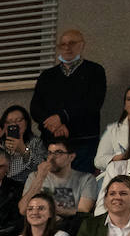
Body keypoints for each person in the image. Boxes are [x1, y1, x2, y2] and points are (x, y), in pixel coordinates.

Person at [30, 29, 107, 173]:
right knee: (52, 185)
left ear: (82, 45)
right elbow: (35, 108)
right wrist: (54, 125)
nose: (67, 47)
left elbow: (93, 103)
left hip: (83, 143)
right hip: (51, 144)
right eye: (63, 44)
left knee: (81, 183)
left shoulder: (95, 71)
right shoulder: (47, 76)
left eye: (72, 43)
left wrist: (62, 117)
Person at [18, 140, 93, 236]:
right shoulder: (35, 176)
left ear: (71, 157)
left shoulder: (86, 179)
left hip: (70, 228)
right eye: (49, 153)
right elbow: (23, 209)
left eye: (58, 153)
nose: (51, 158)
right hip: (38, 227)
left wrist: (50, 209)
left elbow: (83, 211)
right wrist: (40, 177)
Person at [0, 104, 45, 182]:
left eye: (18, 120)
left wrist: (24, 150)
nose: (14, 124)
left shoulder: (35, 142)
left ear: (26, 123)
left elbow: (43, 166)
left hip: (25, 185)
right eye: (9, 122)